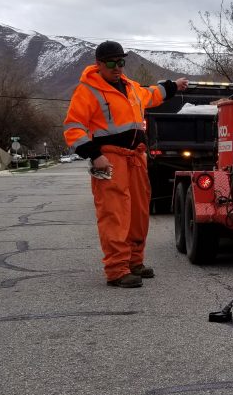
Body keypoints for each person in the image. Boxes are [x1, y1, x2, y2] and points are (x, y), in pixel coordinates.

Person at [64, 40, 188, 287]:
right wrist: (94, 154)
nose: (117, 67)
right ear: (99, 64)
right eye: (112, 62)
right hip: (109, 160)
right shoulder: (88, 91)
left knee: (138, 213)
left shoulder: (130, 88)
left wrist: (173, 86)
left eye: (121, 62)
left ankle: (134, 262)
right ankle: (116, 269)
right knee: (115, 214)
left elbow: (152, 94)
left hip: (135, 159)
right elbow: (73, 127)